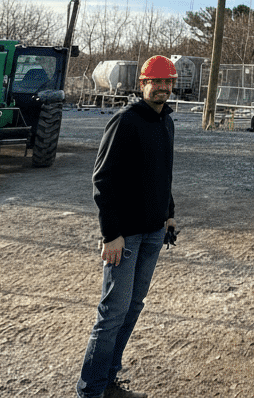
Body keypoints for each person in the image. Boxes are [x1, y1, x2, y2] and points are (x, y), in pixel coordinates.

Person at [76, 56, 179, 398]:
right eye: (156, 82)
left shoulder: (167, 122)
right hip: (126, 237)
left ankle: (109, 381)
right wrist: (111, 234)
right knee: (112, 314)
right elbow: (103, 180)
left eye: (168, 82)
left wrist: (169, 213)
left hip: (153, 233)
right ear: (142, 84)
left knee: (134, 307)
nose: (162, 88)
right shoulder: (126, 121)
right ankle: (91, 390)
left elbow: (164, 173)